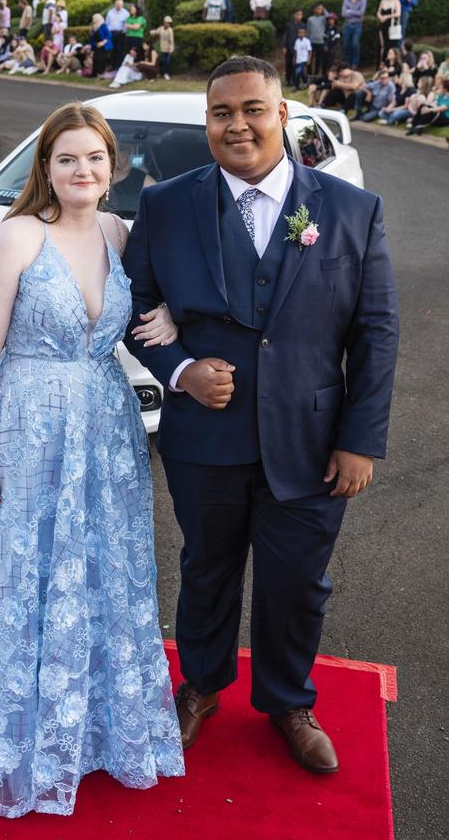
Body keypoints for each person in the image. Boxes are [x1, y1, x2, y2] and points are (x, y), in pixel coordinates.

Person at [0, 101, 185, 817]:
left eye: (93, 158)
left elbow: (171, 288)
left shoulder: (122, 232)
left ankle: (82, 730)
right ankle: (13, 737)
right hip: (24, 425)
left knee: (92, 569)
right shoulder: (19, 235)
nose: (81, 170)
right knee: (23, 572)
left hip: (105, 430)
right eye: (66, 159)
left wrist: (173, 314)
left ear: (112, 167)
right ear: (46, 170)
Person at [122, 55, 399, 776]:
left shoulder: (349, 210)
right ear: (207, 122)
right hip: (203, 439)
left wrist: (361, 440)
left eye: (251, 109)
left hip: (310, 441)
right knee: (206, 567)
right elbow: (131, 309)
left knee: (298, 580)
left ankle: (288, 700)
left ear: (283, 115)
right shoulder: (165, 205)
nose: (236, 124)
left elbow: (375, 333)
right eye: (221, 113)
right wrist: (179, 370)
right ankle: (201, 686)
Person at [341, 0, 366, 69]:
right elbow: (344, 13)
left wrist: (350, 11)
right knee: (346, 45)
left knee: (355, 43)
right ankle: (346, 63)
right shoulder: (346, 0)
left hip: (357, 25)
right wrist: (355, 12)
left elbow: (361, 13)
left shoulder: (363, 0)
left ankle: (355, 63)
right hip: (347, 24)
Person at [377, 0, 402, 64]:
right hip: (383, 25)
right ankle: (382, 61)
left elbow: (398, 13)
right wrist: (380, 17)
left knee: (391, 44)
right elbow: (378, 12)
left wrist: (386, 17)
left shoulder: (396, 2)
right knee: (382, 44)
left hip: (391, 26)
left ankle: (391, 62)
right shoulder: (383, 1)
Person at [106, 0, 130, 69]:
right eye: (118, 4)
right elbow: (107, 23)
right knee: (112, 50)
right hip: (112, 33)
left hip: (121, 34)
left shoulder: (126, 13)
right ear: (115, 4)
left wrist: (124, 31)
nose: (119, 6)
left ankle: (118, 66)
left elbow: (127, 24)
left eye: (120, 4)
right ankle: (112, 66)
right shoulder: (110, 12)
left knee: (120, 50)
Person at [283, 9, 304, 87]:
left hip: (298, 50)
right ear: (294, 15)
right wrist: (284, 46)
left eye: (300, 15)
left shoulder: (303, 26)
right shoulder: (289, 25)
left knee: (296, 65)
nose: (299, 16)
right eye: (297, 14)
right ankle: (288, 80)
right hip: (289, 48)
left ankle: (294, 80)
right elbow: (286, 35)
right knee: (288, 64)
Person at [150, 15, 175, 81]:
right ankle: (161, 73)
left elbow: (171, 40)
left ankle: (166, 73)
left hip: (168, 49)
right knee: (163, 61)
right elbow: (155, 32)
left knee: (167, 62)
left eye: (169, 23)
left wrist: (172, 48)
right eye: (167, 23)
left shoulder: (170, 30)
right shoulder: (161, 28)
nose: (168, 24)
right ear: (164, 22)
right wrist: (152, 32)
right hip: (162, 49)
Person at [306, 3, 327, 77]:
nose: (319, 10)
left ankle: (316, 73)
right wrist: (307, 41)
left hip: (320, 41)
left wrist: (324, 9)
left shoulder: (323, 18)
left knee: (319, 58)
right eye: (317, 8)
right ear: (314, 9)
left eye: (320, 9)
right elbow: (308, 31)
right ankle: (309, 73)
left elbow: (328, 16)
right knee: (310, 58)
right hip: (311, 41)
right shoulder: (310, 19)